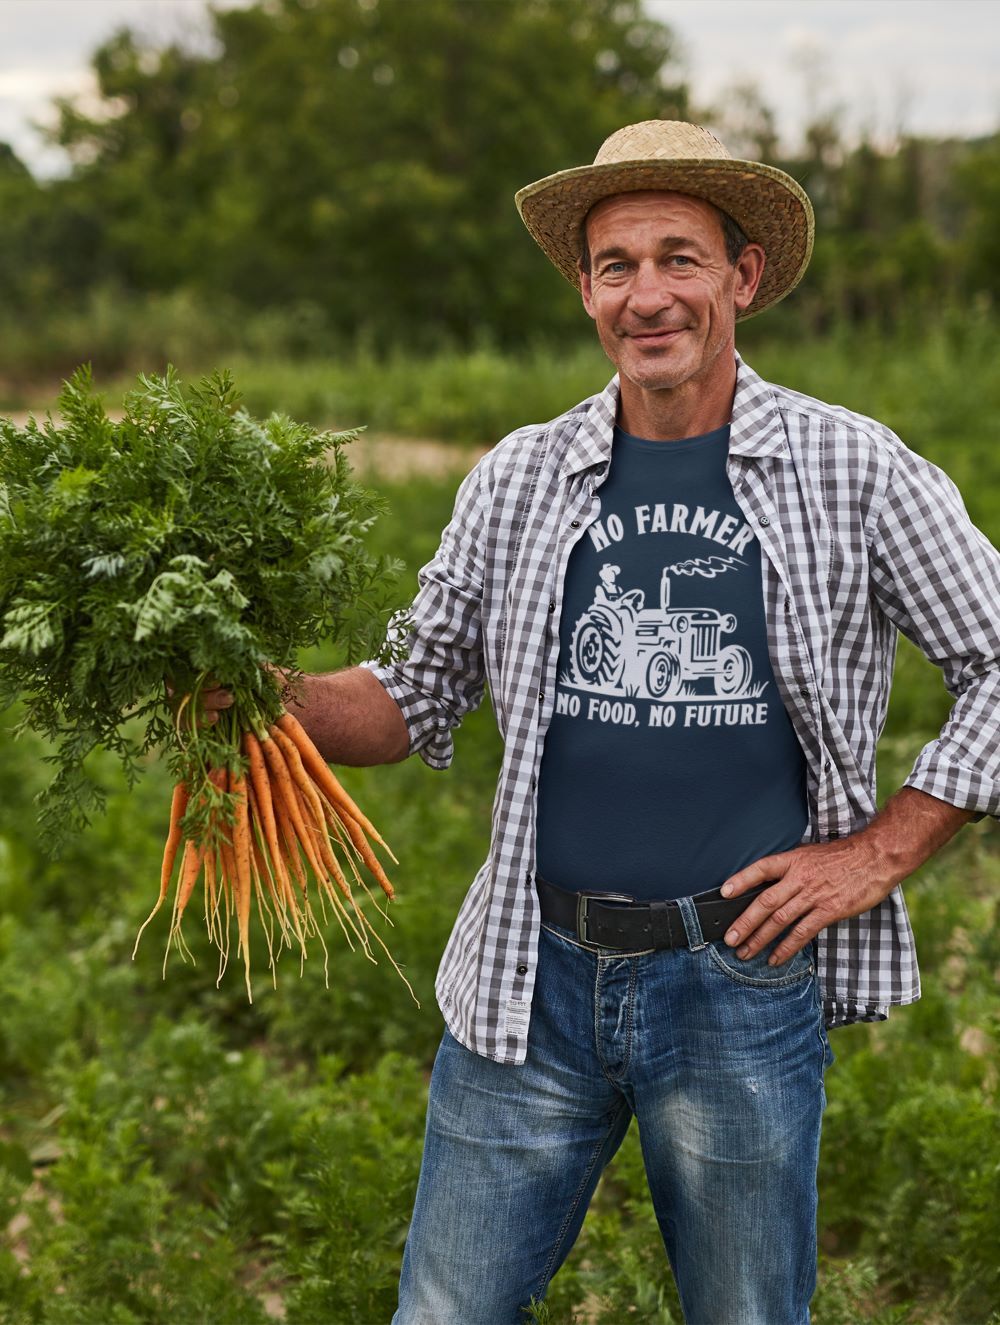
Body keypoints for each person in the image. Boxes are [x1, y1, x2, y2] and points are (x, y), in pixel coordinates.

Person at [205, 121, 1000, 1324]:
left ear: (743, 277)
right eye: (616, 264)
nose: (647, 295)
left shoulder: (856, 469)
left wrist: (881, 849)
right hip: (529, 982)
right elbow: (411, 691)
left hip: (738, 976)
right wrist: (261, 692)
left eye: (679, 257)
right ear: (583, 289)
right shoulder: (519, 476)